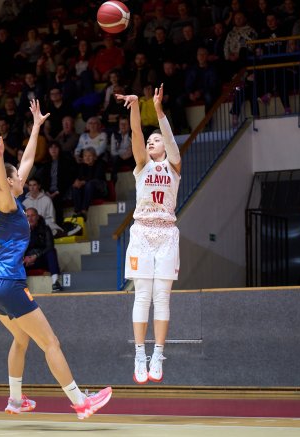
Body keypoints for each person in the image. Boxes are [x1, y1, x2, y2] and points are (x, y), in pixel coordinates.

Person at [0, 99, 112, 418]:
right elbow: (6, 178)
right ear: (8, 183)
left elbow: (29, 158)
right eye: (15, 174)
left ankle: (16, 400)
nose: (23, 173)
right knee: (51, 343)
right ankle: (80, 402)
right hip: (8, 284)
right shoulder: (6, 203)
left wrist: (36, 125)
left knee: (21, 339)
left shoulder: (3, 201)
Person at [116, 84, 182, 385]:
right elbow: (137, 138)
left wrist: (158, 110)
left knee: (162, 296)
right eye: (152, 140)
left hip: (167, 234)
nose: (154, 142)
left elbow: (168, 137)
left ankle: (159, 354)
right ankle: (139, 353)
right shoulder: (142, 166)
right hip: (142, 232)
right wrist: (134, 110)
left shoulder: (174, 166)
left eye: (159, 140)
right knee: (142, 295)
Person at [24, 208, 62, 291]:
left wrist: (35, 256)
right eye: (28, 216)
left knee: (51, 252)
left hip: (42, 259)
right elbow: (19, 248)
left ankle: (55, 282)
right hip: (27, 261)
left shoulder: (45, 229)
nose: (30, 218)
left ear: (37, 217)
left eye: (33, 215)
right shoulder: (22, 232)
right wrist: (25, 258)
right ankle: (21, 287)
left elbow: (49, 246)